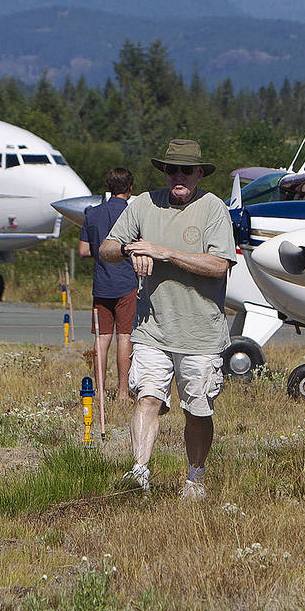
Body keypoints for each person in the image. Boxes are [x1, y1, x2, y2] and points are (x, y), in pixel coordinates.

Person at [99, 138, 233, 501]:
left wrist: (165, 253)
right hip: (152, 329)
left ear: (199, 174)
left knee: (197, 410)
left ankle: (195, 478)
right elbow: (106, 248)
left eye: (186, 171)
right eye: (172, 169)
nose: (178, 177)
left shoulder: (213, 209)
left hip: (200, 332)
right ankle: (139, 472)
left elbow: (220, 265)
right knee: (147, 399)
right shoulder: (143, 203)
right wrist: (131, 248)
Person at [77, 167, 137, 429]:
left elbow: (83, 251)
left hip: (101, 284)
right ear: (130, 188)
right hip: (126, 283)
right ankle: (123, 392)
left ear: (109, 186)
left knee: (102, 339)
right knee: (125, 336)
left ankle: (100, 392)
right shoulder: (133, 213)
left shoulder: (93, 214)